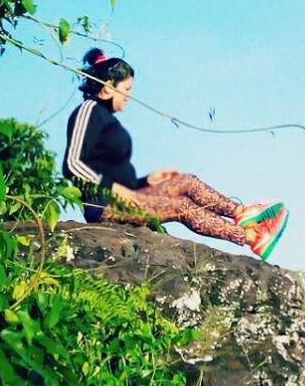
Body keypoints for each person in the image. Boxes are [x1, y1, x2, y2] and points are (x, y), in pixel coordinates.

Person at [63, 49, 289, 260]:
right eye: (127, 89)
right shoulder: (87, 111)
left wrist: (146, 181)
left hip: (127, 195)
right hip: (104, 206)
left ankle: (242, 213)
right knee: (181, 206)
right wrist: (115, 188)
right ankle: (253, 238)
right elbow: (73, 164)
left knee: (187, 182)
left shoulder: (106, 117)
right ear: (108, 87)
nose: (129, 96)